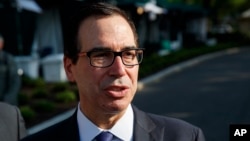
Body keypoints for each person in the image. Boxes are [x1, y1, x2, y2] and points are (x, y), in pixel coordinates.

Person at [21, 2, 205, 141]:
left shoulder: (185, 137)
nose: (119, 70)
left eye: (129, 54)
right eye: (101, 55)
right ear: (70, 68)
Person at [0, 33, 21, 105]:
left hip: (6, 104)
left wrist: (7, 100)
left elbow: (15, 82)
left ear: (1, 44)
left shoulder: (7, 59)